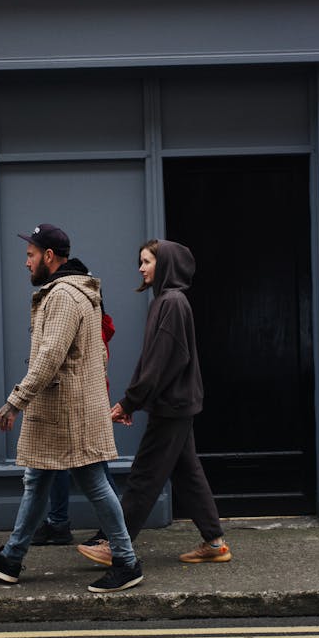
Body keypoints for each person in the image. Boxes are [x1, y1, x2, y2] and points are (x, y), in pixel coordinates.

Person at [0, 223, 143, 593]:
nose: (25, 263)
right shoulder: (79, 291)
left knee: (93, 481)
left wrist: (15, 401)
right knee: (38, 480)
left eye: (30, 255)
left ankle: (126, 561)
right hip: (66, 406)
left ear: (49, 256)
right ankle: (12, 557)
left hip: (68, 410)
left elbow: (49, 357)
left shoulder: (64, 294)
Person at [77, 239, 232, 567]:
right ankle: (215, 542)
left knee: (144, 475)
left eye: (147, 261)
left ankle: (116, 545)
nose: (141, 267)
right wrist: (136, 400)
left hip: (171, 405)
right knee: (187, 471)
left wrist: (131, 402)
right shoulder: (166, 302)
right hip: (174, 403)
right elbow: (153, 360)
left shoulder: (172, 303)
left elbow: (161, 362)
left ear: (166, 265)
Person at [31, 273, 118, 547]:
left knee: (95, 467)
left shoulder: (85, 313)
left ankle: (113, 533)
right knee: (55, 465)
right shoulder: (91, 311)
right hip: (72, 400)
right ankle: (58, 523)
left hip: (83, 403)